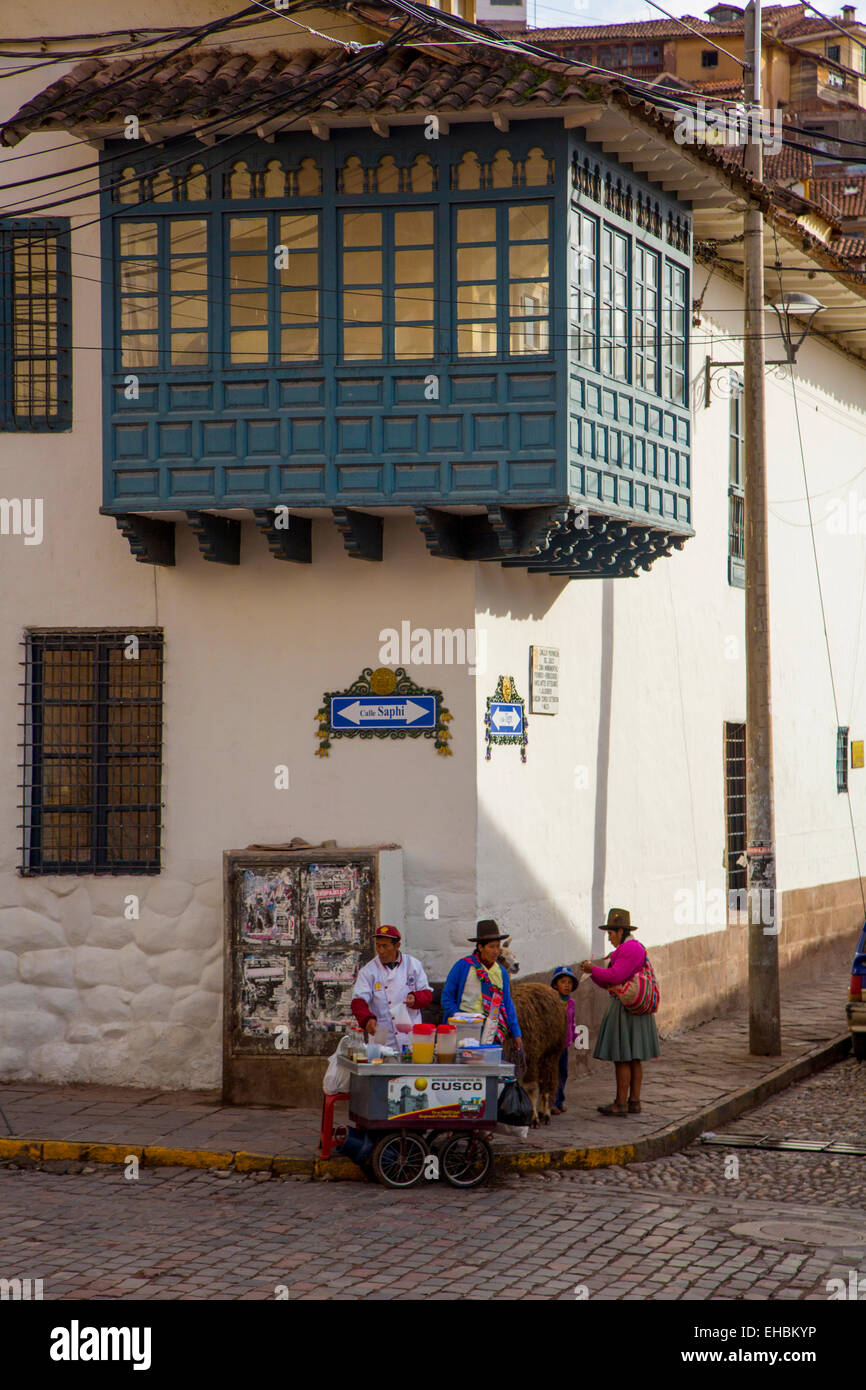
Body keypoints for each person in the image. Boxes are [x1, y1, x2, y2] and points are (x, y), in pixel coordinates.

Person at [580, 908, 659, 1116]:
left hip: (626, 1010)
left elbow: (615, 976)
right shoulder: (631, 949)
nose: (610, 938)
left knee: (623, 1058)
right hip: (635, 1009)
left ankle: (621, 1103)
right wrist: (594, 973)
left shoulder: (629, 949)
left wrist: (592, 970)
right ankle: (634, 1102)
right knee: (634, 1059)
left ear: (622, 931)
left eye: (612, 934)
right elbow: (609, 979)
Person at [440, 919, 523, 1055]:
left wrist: (516, 1032)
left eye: (497, 946)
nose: (496, 951)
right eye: (491, 947)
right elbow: (447, 997)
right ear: (480, 947)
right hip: (464, 1030)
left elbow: (507, 1003)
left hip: (491, 1031)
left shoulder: (501, 972)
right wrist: (459, 1018)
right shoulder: (463, 966)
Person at [351, 925, 432, 1049]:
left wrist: (415, 998)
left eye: (385, 946)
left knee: (409, 1062)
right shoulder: (368, 971)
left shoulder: (413, 965)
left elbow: (426, 994)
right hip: (382, 1032)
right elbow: (358, 1002)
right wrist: (367, 1020)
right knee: (382, 1062)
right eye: (378, 945)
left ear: (397, 946)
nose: (381, 951)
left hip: (409, 1031)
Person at [550, 966, 579, 1114]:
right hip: (554, 1044)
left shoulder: (571, 1003)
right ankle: (552, 1102)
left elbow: (572, 1021)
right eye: (563, 982)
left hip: (565, 1044)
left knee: (563, 1072)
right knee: (553, 1072)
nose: (567, 985)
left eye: (569, 982)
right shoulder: (553, 1002)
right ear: (555, 985)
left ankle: (560, 1099)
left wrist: (574, 1035)